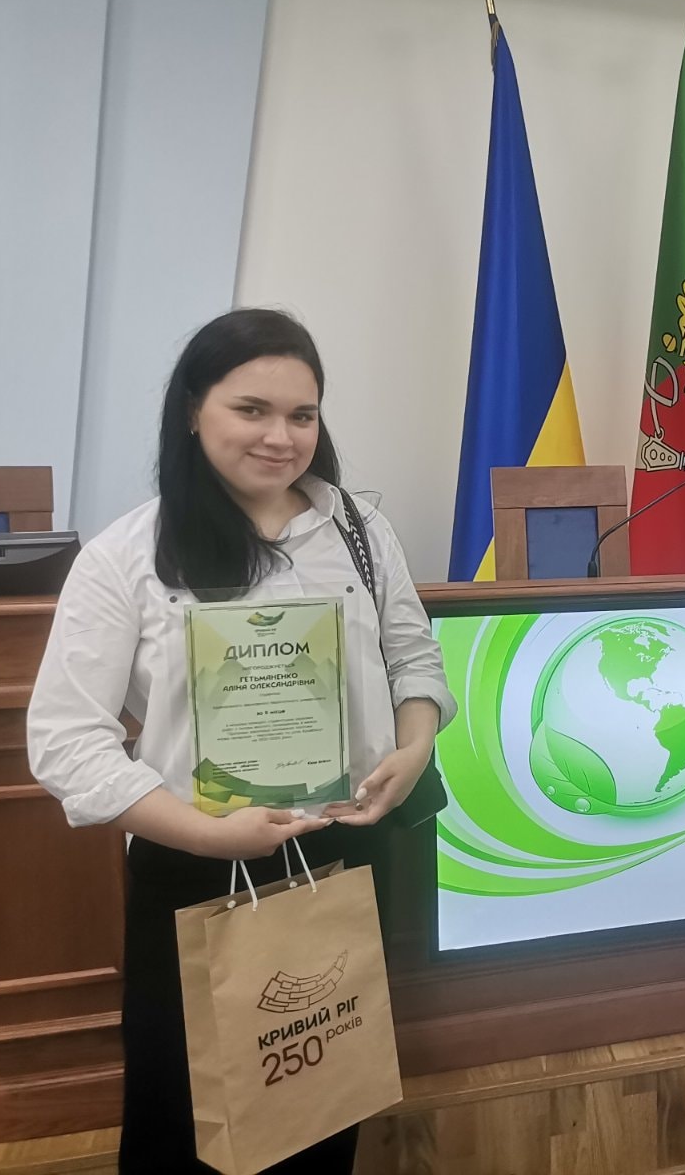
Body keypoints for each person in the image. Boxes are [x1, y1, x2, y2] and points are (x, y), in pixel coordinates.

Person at [26, 308, 457, 1173]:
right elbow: (66, 741)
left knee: (321, 1105)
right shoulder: (126, 556)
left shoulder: (359, 532)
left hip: (344, 854)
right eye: (251, 410)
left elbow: (415, 660)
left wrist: (413, 750)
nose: (281, 437)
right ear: (194, 410)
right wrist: (208, 834)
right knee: (186, 1124)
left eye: (302, 415)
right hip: (198, 867)